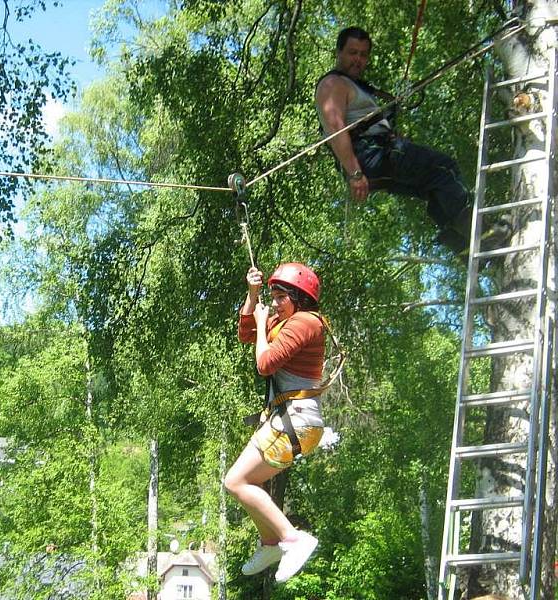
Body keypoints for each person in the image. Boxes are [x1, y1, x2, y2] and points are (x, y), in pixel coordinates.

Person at [315, 27, 509, 253]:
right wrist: (354, 173)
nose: (358, 60)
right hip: (370, 155)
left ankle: (463, 246)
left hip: (375, 155)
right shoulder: (333, 84)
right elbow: (336, 129)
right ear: (339, 52)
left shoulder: (360, 88)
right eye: (352, 53)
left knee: (434, 187)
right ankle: (481, 232)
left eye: (363, 54)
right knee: (443, 169)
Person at [224, 262, 326, 583]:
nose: (276, 302)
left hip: (296, 420)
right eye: (274, 295)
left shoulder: (306, 322)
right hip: (291, 422)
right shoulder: (284, 323)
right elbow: (246, 333)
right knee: (245, 483)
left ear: (300, 297)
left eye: (281, 296)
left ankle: (293, 538)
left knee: (235, 482)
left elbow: (265, 363)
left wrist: (261, 319)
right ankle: (270, 543)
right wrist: (253, 297)